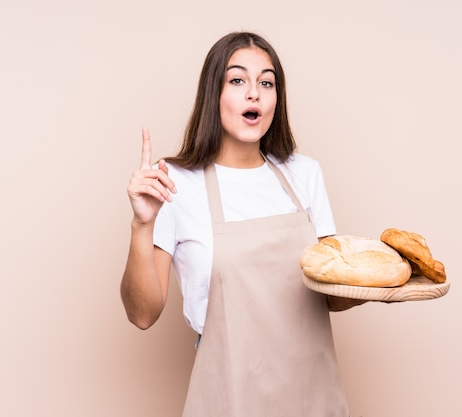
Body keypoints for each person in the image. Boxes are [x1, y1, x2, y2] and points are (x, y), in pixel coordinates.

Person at [121, 31, 363, 417]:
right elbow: (142, 314)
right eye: (238, 80)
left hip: (311, 391)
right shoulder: (176, 183)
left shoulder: (305, 174)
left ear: (275, 100)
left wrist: (375, 280)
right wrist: (142, 225)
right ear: (213, 94)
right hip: (229, 392)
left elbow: (331, 295)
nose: (255, 93)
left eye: (266, 83)